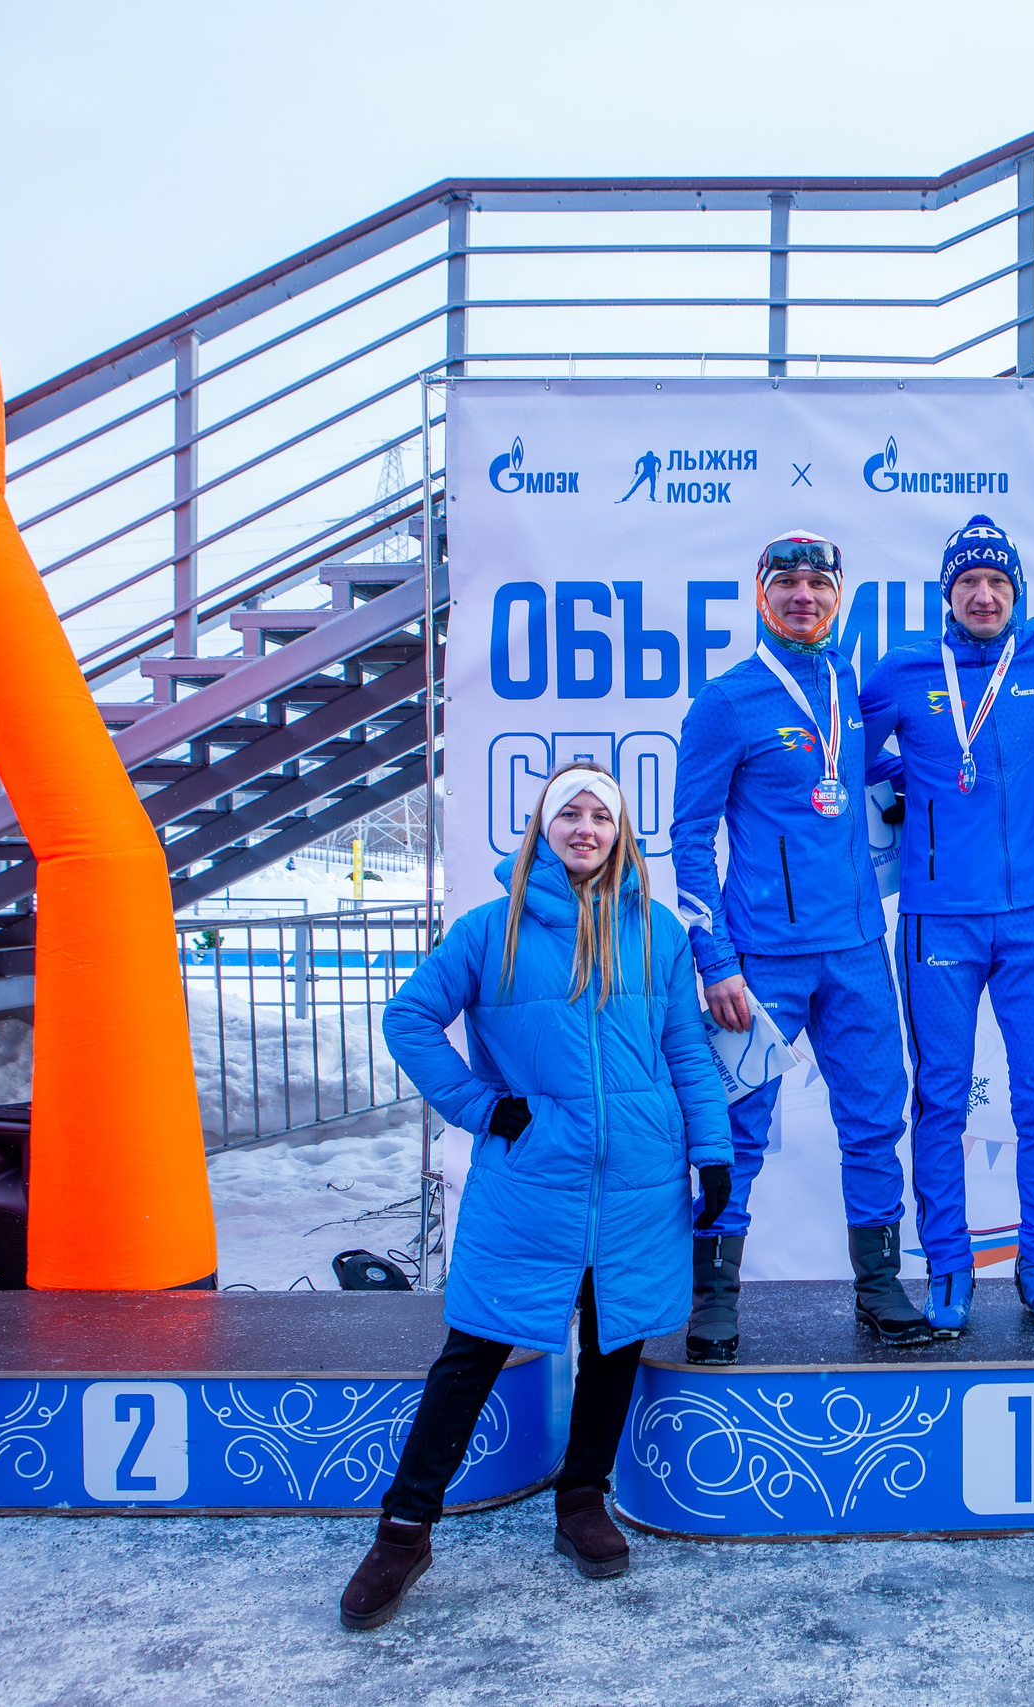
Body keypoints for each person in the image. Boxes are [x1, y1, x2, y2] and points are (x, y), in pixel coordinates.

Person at [346, 765, 731, 1628]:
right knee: (473, 1350)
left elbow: (687, 1051)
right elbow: (409, 1017)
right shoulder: (492, 930)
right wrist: (480, 1106)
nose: (586, 827)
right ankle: (404, 1529)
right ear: (543, 828)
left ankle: (582, 1498)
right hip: (532, 1182)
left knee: (614, 1338)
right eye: (570, 813)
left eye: (602, 815)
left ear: (621, 833)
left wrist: (712, 1151)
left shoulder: (659, 932)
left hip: (638, 1180)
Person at [669, 532, 930, 1358]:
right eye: (787, 582)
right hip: (762, 961)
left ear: (837, 596)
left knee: (873, 1123)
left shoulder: (850, 682)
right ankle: (714, 1296)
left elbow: (875, 757)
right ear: (762, 594)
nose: (803, 595)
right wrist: (715, 960)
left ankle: (880, 1287)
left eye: (819, 582)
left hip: (856, 950)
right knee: (735, 1132)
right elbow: (688, 838)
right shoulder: (726, 701)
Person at [858, 517, 1034, 1337]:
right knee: (942, 1099)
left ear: (1016, 591)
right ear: (947, 593)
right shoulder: (905, 669)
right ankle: (948, 1265)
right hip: (939, 922)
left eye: (997, 582)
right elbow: (845, 751)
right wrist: (911, 778)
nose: (984, 596)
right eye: (969, 583)